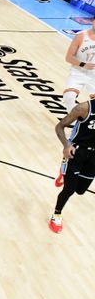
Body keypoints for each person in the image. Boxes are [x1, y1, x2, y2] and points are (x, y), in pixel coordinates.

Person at [55, 19, 95, 187]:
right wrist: (84, 64)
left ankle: (84, 124)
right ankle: (77, 124)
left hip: (93, 75)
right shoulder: (81, 36)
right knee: (69, 98)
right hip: (78, 72)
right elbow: (68, 57)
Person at [49, 99, 95, 233]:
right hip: (76, 152)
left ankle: (64, 173)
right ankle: (56, 215)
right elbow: (59, 126)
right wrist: (66, 145)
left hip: (93, 157)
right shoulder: (84, 108)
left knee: (80, 190)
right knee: (69, 189)